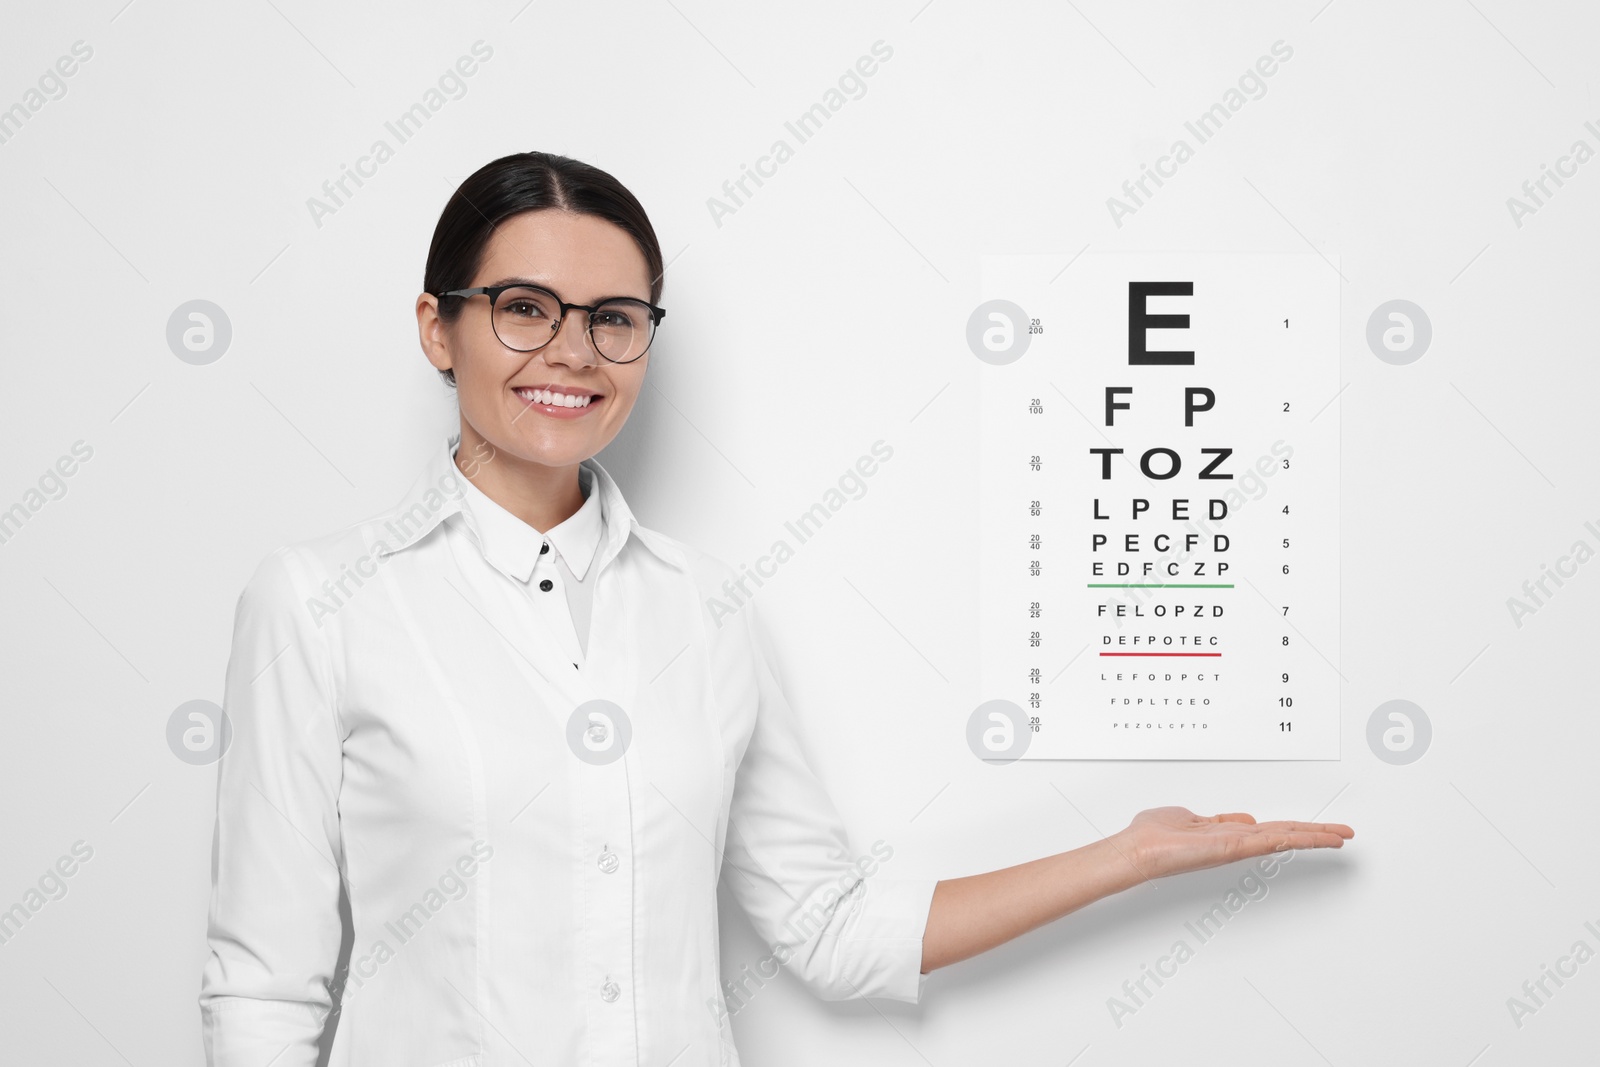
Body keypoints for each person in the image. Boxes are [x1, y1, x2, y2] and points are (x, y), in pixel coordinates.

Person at [198, 150, 1353, 1067]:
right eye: (522, 307)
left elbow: (830, 928)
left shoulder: (702, 609)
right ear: (436, 327)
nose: (572, 350)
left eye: (614, 316)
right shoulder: (320, 601)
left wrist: (1130, 853)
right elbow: (263, 984)